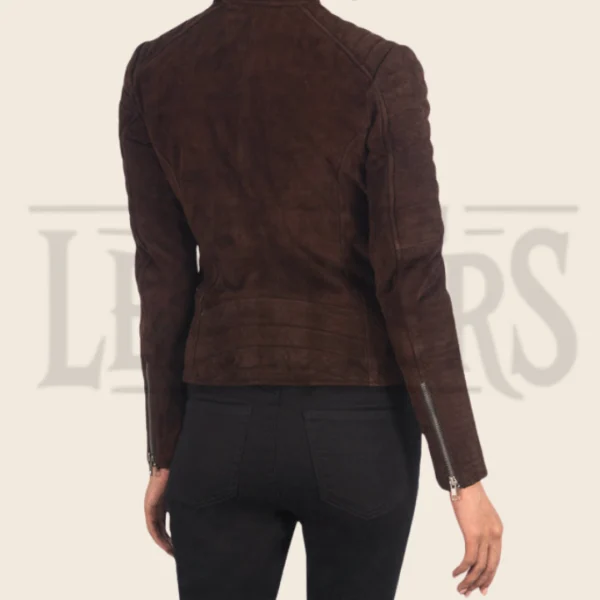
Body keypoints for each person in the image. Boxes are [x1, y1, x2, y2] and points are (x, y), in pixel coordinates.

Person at [118, 0, 503, 598]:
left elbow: (162, 279)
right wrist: (462, 476)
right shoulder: (378, 68)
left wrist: (163, 453)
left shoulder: (155, 70)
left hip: (218, 429)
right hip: (358, 433)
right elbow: (412, 279)